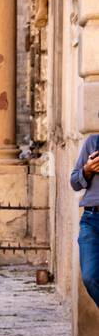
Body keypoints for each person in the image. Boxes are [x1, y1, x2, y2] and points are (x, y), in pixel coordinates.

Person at [70, 127, 99, 312]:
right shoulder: (93, 142)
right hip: (92, 218)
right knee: (90, 276)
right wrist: (87, 170)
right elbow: (74, 182)